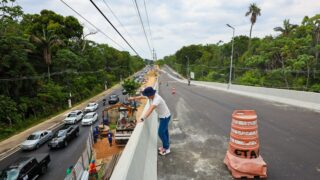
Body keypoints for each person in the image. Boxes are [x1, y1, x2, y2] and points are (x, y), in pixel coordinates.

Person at [128, 86, 171, 155]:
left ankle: (166, 148)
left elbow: (150, 109)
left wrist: (142, 118)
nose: (146, 97)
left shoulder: (157, 99)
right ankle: (166, 145)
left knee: (161, 133)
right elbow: (142, 97)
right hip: (163, 116)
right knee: (165, 131)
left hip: (165, 117)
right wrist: (133, 98)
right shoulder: (151, 96)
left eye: (147, 95)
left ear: (150, 94)